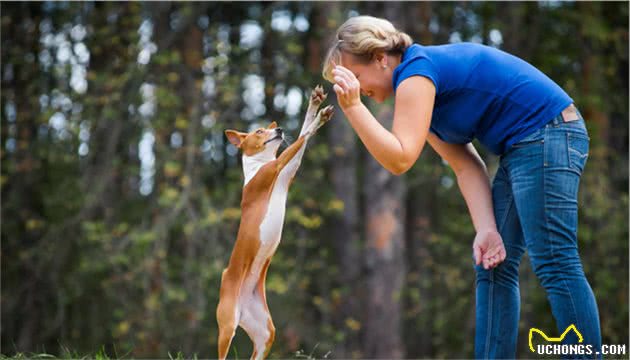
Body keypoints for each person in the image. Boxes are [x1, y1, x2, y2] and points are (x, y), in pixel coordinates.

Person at [322, 15, 601, 359]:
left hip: (549, 132)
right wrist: (486, 229)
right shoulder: (420, 92)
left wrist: (353, 108)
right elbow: (465, 165)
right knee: (493, 263)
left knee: (555, 261)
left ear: (380, 58)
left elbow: (400, 159)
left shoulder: (416, 73)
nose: (353, 87)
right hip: (522, 147)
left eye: (355, 76)